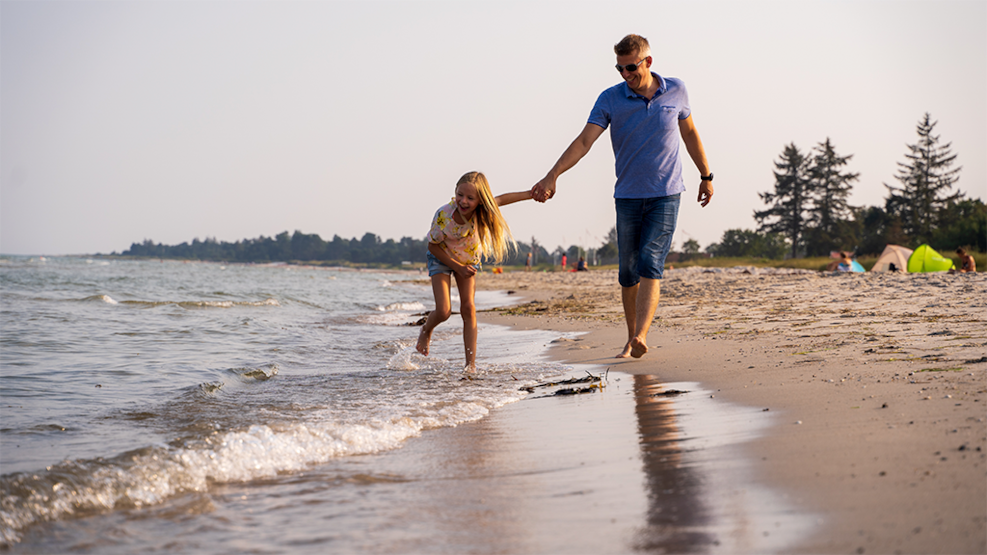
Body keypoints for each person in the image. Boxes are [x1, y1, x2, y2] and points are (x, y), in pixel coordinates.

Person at [531, 34, 713, 359]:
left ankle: (641, 335)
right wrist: (552, 174)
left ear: (648, 62)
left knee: (650, 262)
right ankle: (633, 336)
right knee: (627, 272)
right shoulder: (610, 98)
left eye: (631, 67)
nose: (626, 75)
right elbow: (585, 141)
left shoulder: (677, 90)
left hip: (666, 193)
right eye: (620, 69)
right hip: (628, 195)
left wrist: (706, 175)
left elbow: (690, 133)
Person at [416, 171, 533, 372]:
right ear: (455, 191)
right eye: (460, 194)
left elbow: (503, 199)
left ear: (480, 200)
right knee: (443, 311)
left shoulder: (482, 212)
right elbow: (432, 246)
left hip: (467, 260)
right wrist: (457, 267)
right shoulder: (444, 215)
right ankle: (426, 330)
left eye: (470, 198)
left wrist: (531, 193)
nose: (463, 201)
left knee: (468, 308)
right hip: (441, 258)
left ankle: (470, 365)